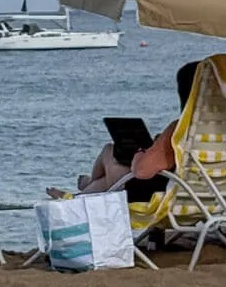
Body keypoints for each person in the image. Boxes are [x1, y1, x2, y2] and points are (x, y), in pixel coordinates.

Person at [64, 60, 201, 198]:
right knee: (112, 162)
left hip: (162, 194)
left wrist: (141, 154)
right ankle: (80, 193)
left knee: (111, 156)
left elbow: (142, 171)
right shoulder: (211, 133)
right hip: (208, 195)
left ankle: (78, 195)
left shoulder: (180, 129)